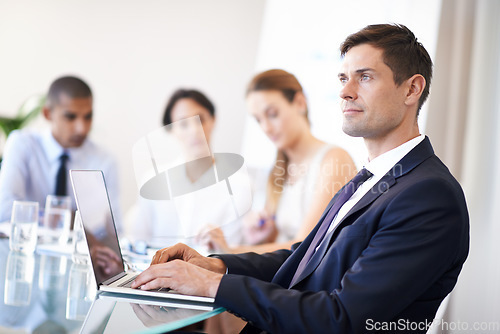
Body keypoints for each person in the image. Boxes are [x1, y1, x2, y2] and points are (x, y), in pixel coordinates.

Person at [131, 24, 470, 334]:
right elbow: (304, 257)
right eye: (342, 78)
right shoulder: (371, 177)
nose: (345, 92)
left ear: (412, 89)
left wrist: (211, 286)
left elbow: (342, 318)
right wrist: (215, 265)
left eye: (364, 77)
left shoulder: (428, 196)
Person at [199, 69, 356, 257]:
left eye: (272, 114)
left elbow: (304, 247)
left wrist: (231, 251)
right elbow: (279, 245)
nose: (266, 127)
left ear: (299, 103)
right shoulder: (277, 170)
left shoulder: (333, 160)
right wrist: (260, 237)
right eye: (258, 120)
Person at [125, 89, 244, 250]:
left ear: (213, 120)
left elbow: (236, 254)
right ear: (171, 130)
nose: (194, 130)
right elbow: (137, 244)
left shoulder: (238, 185)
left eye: (200, 119)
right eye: (183, 124)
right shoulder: (154, 181)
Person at [0, 76, 120, 228]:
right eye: (70, 117)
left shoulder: (105, 161)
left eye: (88, 117)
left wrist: (41, 216)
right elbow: (4, 211)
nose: (82, 128)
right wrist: (66, 219)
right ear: (47, 113)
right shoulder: (23, 144)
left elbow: (113, 229)